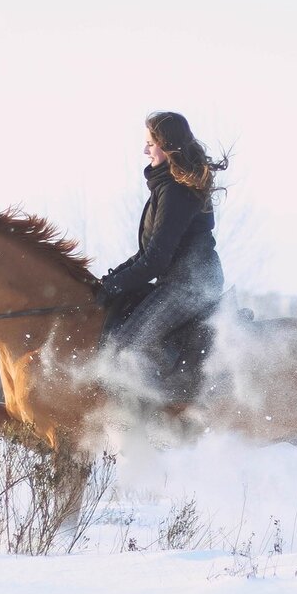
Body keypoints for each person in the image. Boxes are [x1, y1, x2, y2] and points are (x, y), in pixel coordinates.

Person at [96, 111, 228, 388]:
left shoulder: (176, 192)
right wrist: (108, 282)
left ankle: (154, 424)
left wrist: (113, 287)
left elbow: (156, 259)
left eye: (151, 143)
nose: (145, 150)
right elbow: (148, 252)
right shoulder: (167, 187)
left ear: (169, 146)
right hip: (179, 282)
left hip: (190, 286)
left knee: (125, 349)